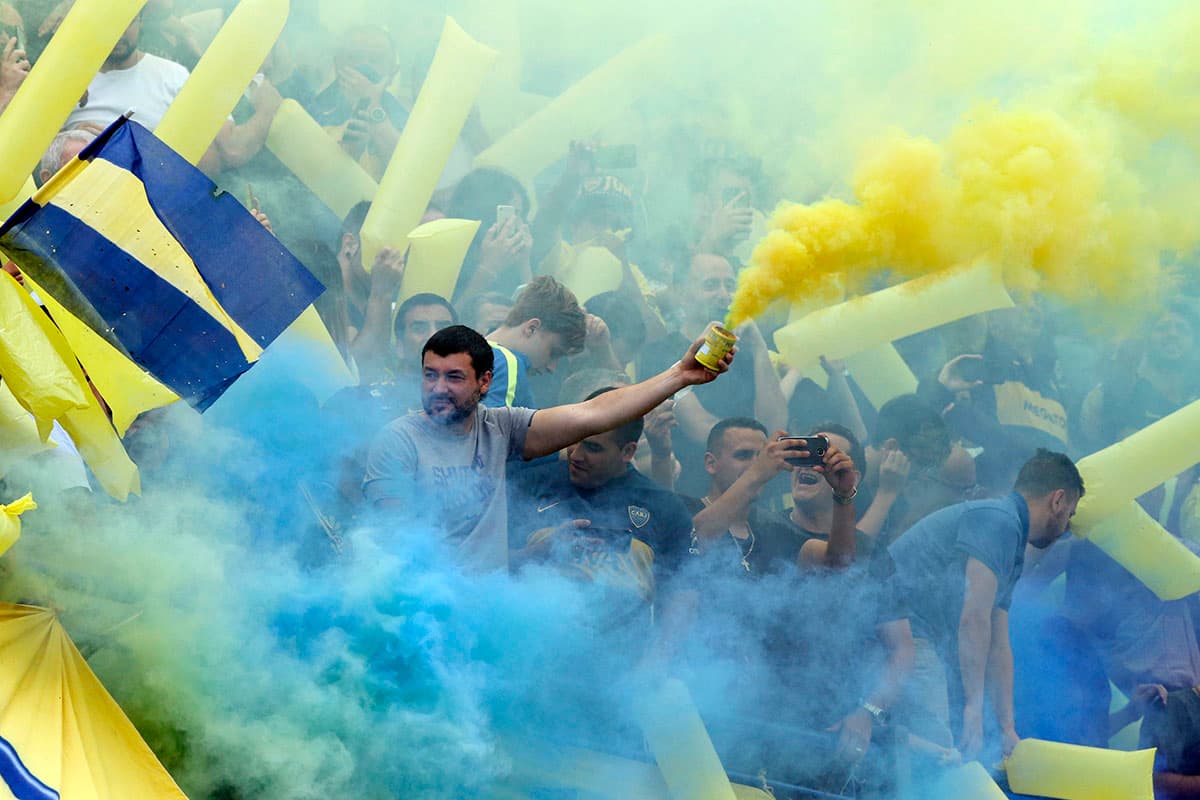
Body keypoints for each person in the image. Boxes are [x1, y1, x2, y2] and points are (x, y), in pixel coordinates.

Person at [363, 323, 734, 571]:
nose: (438, 387)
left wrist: (679, 375)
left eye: (454, 377)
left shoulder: (500, 427)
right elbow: (399, 548)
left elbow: (592, 414)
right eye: (430, 375)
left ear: (484, 382)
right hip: (425, 611)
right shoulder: (398, 442)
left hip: (488, 615)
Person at [888, 448, 1084, 759]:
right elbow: (974, 618)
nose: (1067, 527)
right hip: (899, 630)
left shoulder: (1012, 538)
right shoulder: (999, 520)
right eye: (1070, 514)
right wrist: (973, 707)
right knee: (937, 751)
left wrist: (1007, 728)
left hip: (914, 634)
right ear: (1058, 500)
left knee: (944, 748)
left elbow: (998, 643)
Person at [507, 387, 694, 624]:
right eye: (574, 439)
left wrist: (658, 659)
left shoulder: (665, 507)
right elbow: (476, 563)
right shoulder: (528, 485)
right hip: (530, 644)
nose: (575, 455)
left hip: (621, 655)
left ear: (627, 451)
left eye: (593, 447)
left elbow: (682, 593)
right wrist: (536, 553)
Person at [637, 252, 786, 495]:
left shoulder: (747, 354)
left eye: (729, 285)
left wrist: (759, 347)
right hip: (693, 489)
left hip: (752, 491)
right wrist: (756, 449)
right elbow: (700, 428)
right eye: (710, 285)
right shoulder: (661, 353)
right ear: (683, 292)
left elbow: (775, 424)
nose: (724, 295)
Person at [63, 11, 279, 175]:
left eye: (127, 20)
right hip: (75, 197)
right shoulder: (64, 77)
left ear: (140, 21)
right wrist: (68, 142)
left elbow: (229, 152)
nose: (119, 31)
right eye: (109, 21)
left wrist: (267, 110)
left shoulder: (173, 75)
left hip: (151, 200)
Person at [686, 417, 829, 575]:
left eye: (761, 457)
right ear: (711, 463)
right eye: (743, 455)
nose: (757, 464)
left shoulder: (775, 529)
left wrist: (844, 496)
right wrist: (757, 473)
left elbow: (839, 565)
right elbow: (693, 540)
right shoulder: (681, 509)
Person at [305, 26, 407, 181]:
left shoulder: (407, 120)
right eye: (354, 57)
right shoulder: (312, 112)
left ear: (393, 72)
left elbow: (410, 172)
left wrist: (373, 105)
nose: (364, 67)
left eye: (376, 60)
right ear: (337, 63)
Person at [483, 276, 588, 409]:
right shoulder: (508, 364)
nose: (552, 368)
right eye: (554, 352)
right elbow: (487, 427)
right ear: (531, 328)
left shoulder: (461, 348)